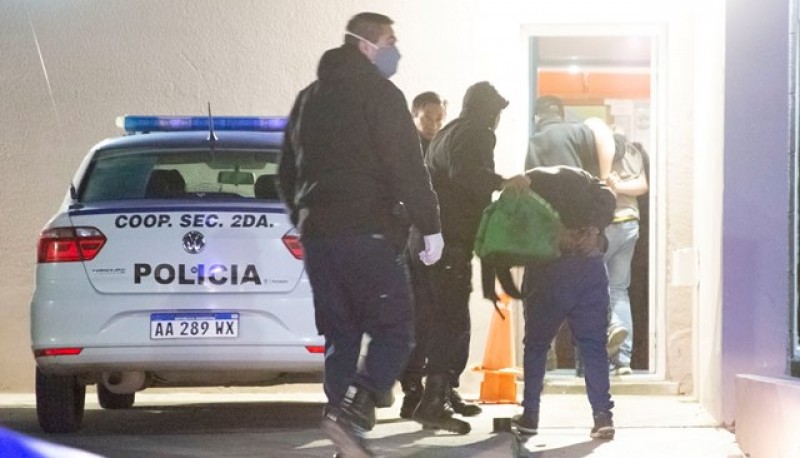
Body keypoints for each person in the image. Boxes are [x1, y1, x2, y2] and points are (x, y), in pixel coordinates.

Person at [277, 12, 443, 457]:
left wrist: (307, 217)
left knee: (341, 335)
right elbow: (408, 167)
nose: (396, 50)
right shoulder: (381, 94)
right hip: (366, 232)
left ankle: (343, 438)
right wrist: (431, 227)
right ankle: (353, 411)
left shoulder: (308, 98)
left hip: (319, 238)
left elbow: (286, 171)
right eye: (391, 40)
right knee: (396, 329)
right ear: (367, 46)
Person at [413, 81, 530, 433]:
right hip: (450, 239)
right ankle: (433, 401)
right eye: (496, 112)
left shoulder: (448, 132)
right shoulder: (478, 133)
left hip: (429, 238)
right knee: (451, 319)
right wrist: (503, 181)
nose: (496, 120)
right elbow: (467, 175)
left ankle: (444, 392)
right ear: (489, 112)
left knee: (438, 316)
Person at [513, 165, 617, 440]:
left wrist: (553, 235)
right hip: (589, 265)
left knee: (536, 345)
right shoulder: (586, 178)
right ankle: (602, 415)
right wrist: (593, 229)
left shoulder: (528, 182)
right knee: (594, 345)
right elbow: (609, 198)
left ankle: (530, 416)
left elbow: (512, 227)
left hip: (547, 270)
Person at [525, 95, 616, 375]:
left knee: (543, 294)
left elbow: (529, 184)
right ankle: (584, 364)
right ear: (561, 113)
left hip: (548, 233)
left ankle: (544, 358)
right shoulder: (581, 131)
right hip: (583, 230)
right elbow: (595, 176)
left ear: (538, 116)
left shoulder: (535, 139)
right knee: (586, 299)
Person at [398, 91, 447, 420]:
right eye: (427, 117)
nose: (433, 124)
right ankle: (411, 388)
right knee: (415, 316)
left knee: (433, 316)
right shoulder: (405, 148)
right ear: (414, 116)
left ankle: (435, 389)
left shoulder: (443, 148)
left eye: (439, 118)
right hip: (408, 242)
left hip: (435, 240)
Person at [604, 133, 649, 375]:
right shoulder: (633, 152)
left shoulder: (601, 150)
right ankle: (622, 361)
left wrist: (614, 186)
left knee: (594, 287)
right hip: (631, 223)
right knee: (619, 289)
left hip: (607, 224)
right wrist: (622, 187)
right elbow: (642, 186)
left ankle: (607, 338)